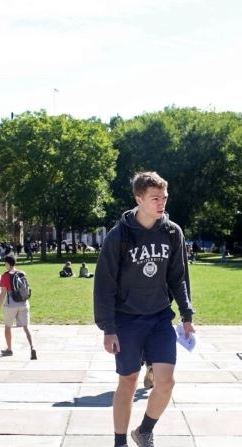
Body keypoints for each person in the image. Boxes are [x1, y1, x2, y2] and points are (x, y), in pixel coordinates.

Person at [93, 171, 195, 447]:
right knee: (128, 382)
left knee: (166, 383)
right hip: (126, 320)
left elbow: (178, 277)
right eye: (155, 198)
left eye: (164, 197)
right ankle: (120, 442)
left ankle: (145, 430)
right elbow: (104, 285)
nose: (161, 203)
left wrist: (186, 314)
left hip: (160, 318)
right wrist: (108, 328)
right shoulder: (120, 236)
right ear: (139, 199)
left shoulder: (172, 232)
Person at [0, 254, 36, 359]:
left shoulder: (5, 276)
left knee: (8, 327)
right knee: (26, 327)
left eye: (5, 263)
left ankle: (9, 349)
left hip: (11, 305)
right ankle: (32, 347)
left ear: (8, 264)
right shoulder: (22, 273)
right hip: (24, 303)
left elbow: (3, 294)